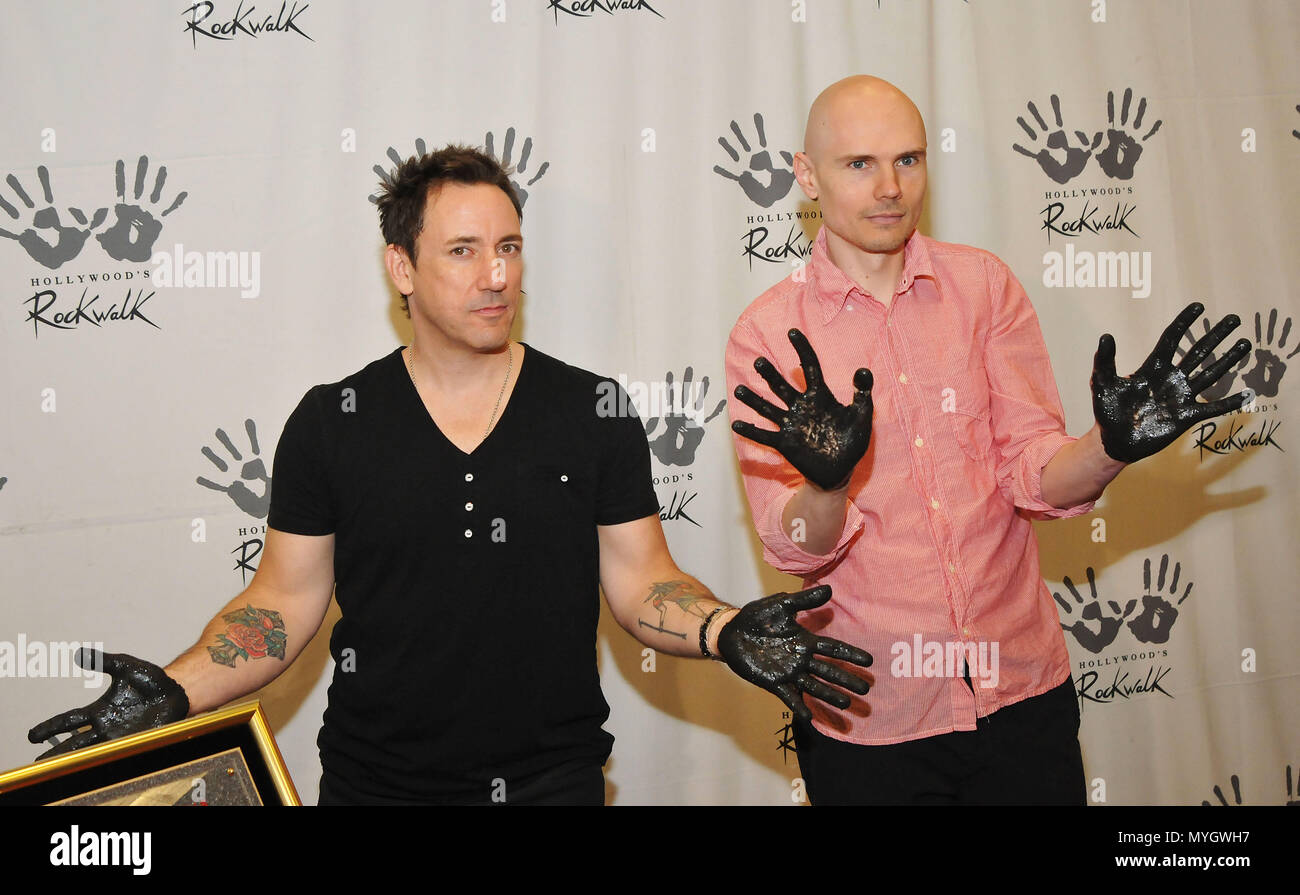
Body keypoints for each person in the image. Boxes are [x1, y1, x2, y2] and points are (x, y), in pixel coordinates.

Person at [28, 145, 873, 806]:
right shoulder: (332, 421)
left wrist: (724, 628)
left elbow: (642, 582)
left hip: (554, 785)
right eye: (463, 250)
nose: (496, 273)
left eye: (507, 247)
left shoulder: (594, 410)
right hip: (376, 788)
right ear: (402, 267)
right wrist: (177, 690)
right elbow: (281, 604)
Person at [724, 75, 1251, 805]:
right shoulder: (767, 334)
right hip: (874, 717)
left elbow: (1032, 469)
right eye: (859, 164)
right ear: (805, 174)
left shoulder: (985, 288)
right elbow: (796, 547)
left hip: (1022, 699)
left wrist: (1111, 446)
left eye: (908, 159)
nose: (889, 187)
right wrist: (828, 484)